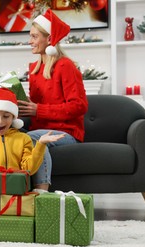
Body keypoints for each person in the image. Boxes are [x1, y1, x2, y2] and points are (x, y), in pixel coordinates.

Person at [17, 9, 88, 192]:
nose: (30, 41)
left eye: (34, 36)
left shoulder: (65, 66)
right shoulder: (34, 69)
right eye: (30, 36)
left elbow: (79, 106)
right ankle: (10, 193)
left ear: (49, 39)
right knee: (9, 136)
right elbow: (36, 106)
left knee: (33, 138)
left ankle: (41, 193)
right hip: (39, 129)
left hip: (67, 133)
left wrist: (38, 110)